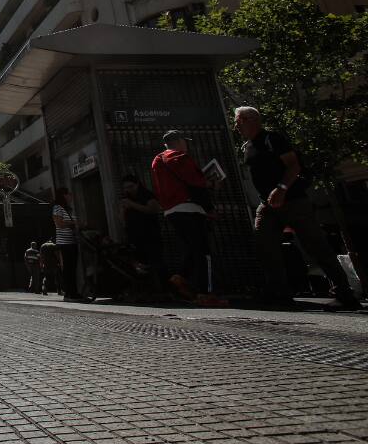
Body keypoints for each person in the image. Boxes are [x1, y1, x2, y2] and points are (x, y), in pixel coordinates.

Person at [234, 106, 362, 311]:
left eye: (239, 121)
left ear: (252, 120)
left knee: (317, 246)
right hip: (267, 204)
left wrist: (281, 189)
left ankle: (344, 295)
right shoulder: (247, 146)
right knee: (265, 246)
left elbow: (294, 165)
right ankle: (279, 293)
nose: (236, 126)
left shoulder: (273, 139)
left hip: (293, 201)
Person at [151, 130, 227, 307]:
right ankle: (206, 293)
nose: (186, 145)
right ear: (179, 141)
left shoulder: (157, 161)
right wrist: (209, 207)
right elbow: (196, 184)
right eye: (185, 141)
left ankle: (181, 277)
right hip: (190, 207)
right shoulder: (181, 157)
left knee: (192, 247)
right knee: (203, 251)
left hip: (171, 210)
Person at [119, 173, 163, 286]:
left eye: (130, 187)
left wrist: (132, 205)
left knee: (155, 262)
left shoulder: (146, 194)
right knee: (140, 265)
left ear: (137, 184)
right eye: (125, 188)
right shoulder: (126, 198)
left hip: (150, 234)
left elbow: (153, 209)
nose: (128, 190)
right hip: (134, 236)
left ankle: (161, 286)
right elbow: (122, 218)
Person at [51, 188, 84, 301]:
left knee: (73, 268)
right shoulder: (57, 208)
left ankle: (73, 292)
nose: (71, 196)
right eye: (69, 194)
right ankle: (69, 293)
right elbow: (59, 224)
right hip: (65, 243)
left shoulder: (68, 209)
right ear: (63, 196)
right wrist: (74, 223)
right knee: (68, 269)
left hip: (72, 241)